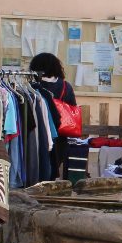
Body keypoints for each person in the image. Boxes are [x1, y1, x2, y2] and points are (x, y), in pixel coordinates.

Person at [30, 52, 78, 182]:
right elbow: (73, 108)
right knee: (52, 169)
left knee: (37, 167)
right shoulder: (65, 86)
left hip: (37, 133)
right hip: (60, 135)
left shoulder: (32, 86)